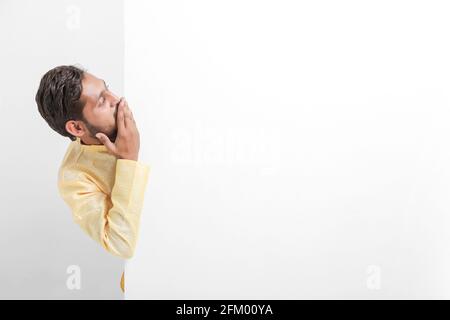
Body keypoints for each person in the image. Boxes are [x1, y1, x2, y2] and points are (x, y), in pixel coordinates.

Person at [35, 65, 150, 293]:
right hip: (151, 281)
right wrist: (129, 160)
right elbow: (120, 244)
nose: (116, 99)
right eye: (101, 102)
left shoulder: (130, 110)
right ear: (77, 127)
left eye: (107, 89)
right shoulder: (74, 178)